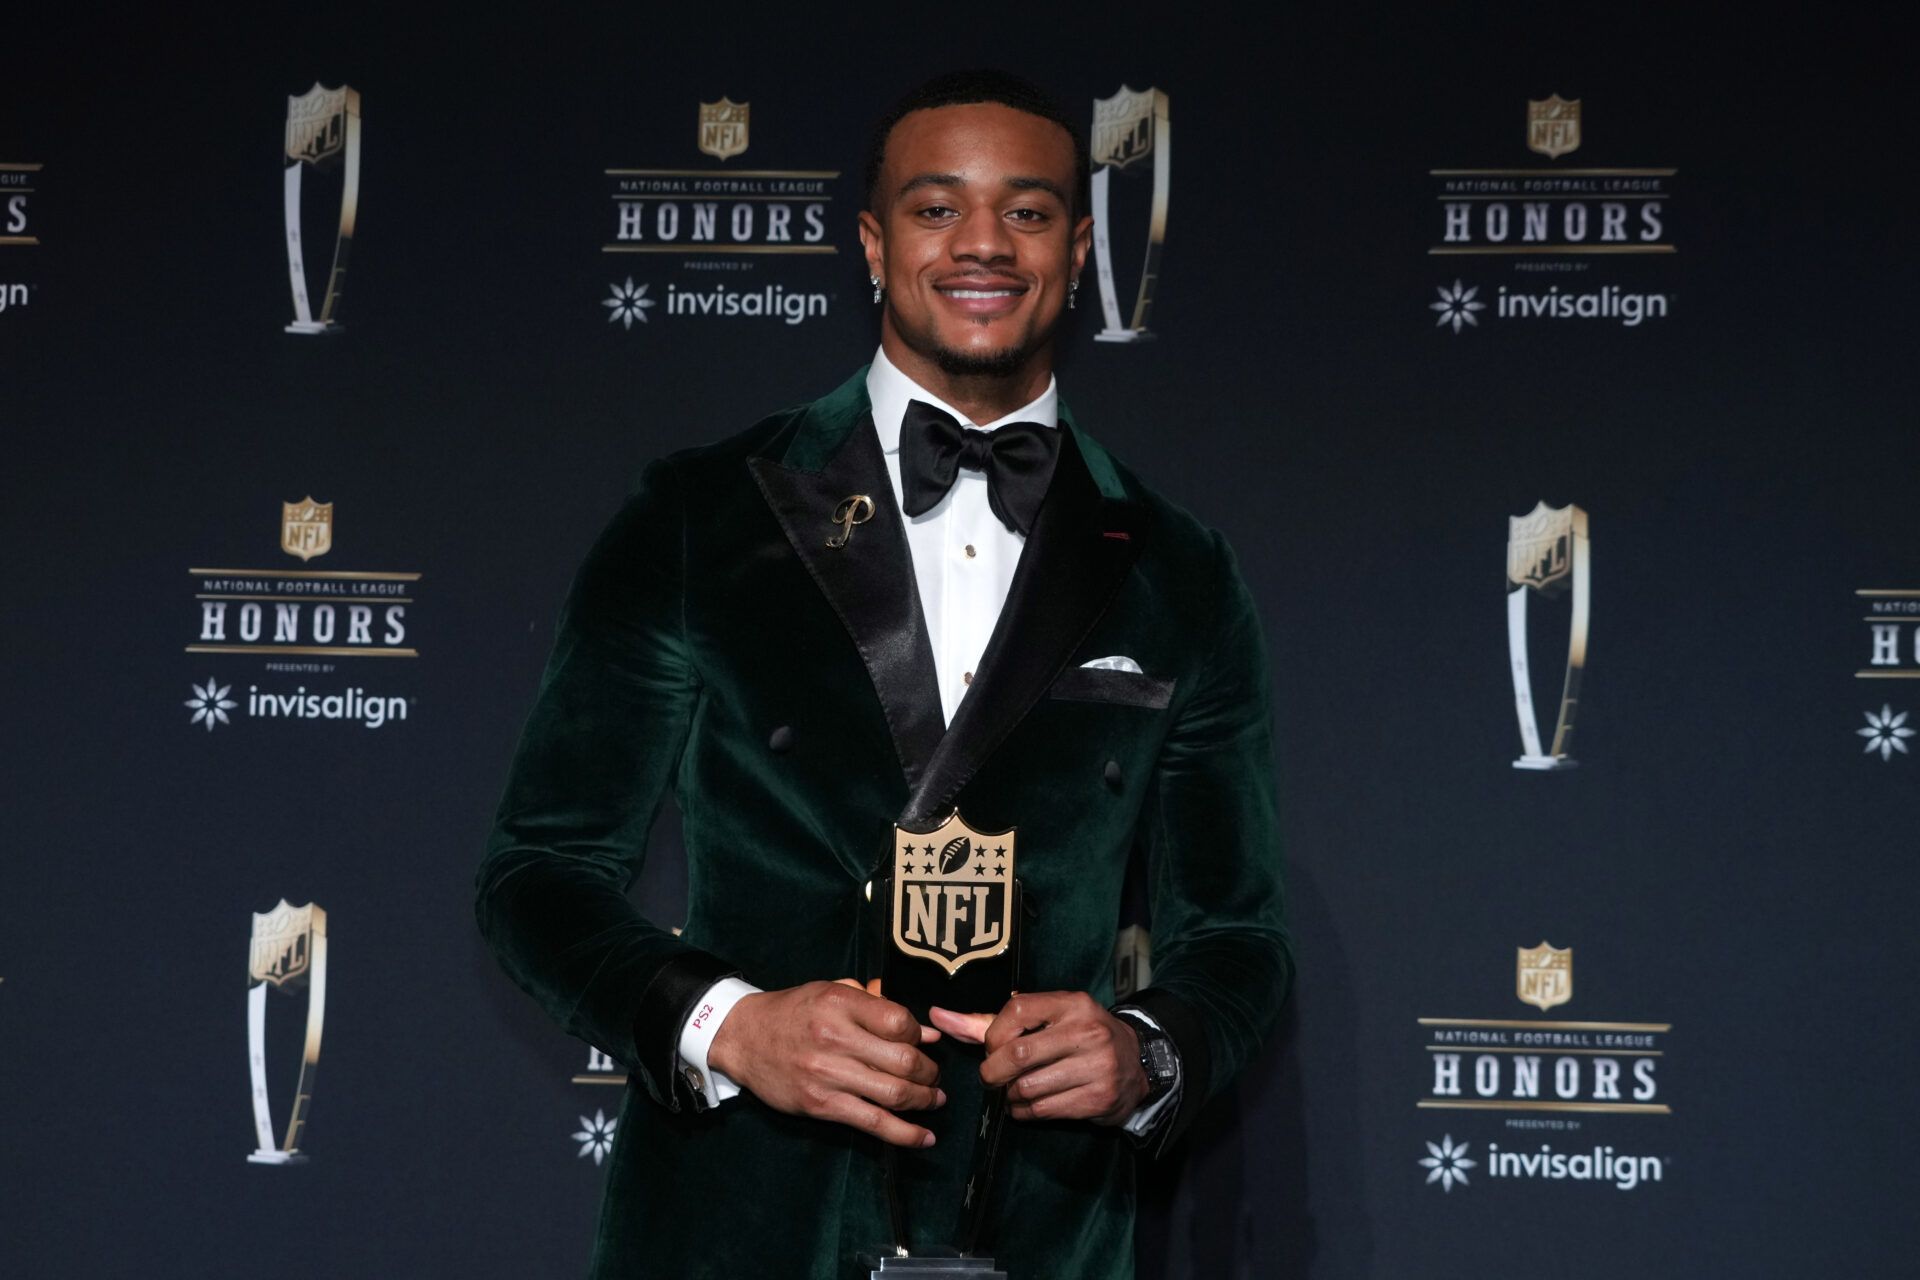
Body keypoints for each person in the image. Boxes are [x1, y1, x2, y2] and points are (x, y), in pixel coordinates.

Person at [476, 69, 1291, 1279]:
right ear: (871, 242)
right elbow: (537, 876)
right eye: (934, 207)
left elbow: (1235, 935)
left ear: (1077, 250)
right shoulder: (703, 515)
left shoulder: (1179, 571)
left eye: (1026, 211)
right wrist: (734, 1024)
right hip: (737, 1220)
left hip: (1043, 1229)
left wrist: (1146, 1051)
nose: (981, 243)